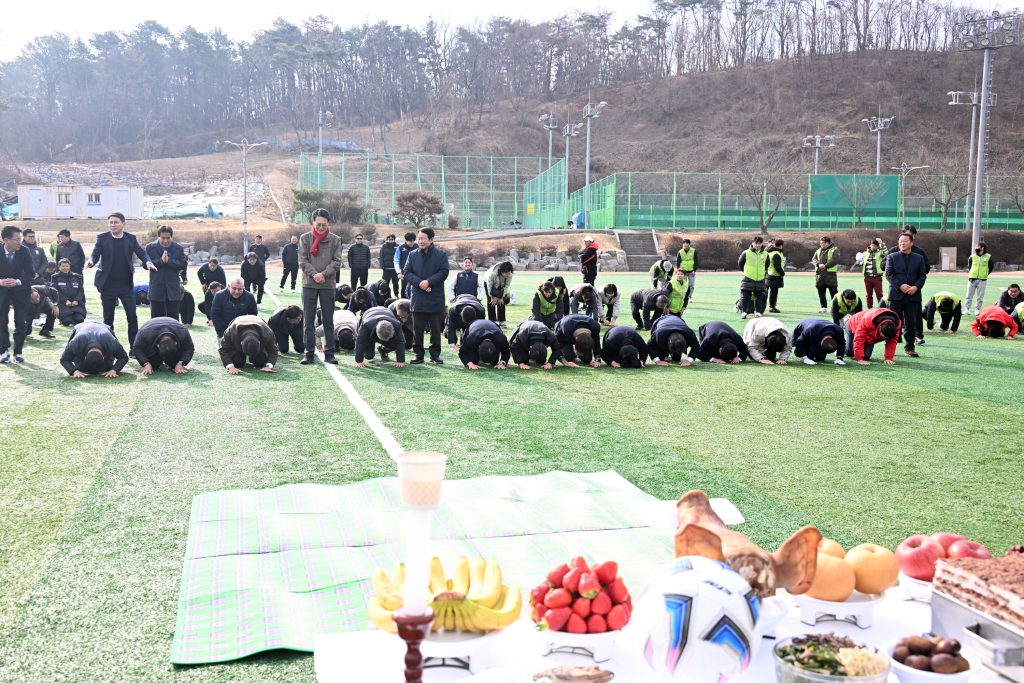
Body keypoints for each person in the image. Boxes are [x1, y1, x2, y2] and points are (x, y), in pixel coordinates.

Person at [85, 212, 156, 349]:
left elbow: (141, 253)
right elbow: (95, 254)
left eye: (116, 222)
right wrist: (91, 261)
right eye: (110, 222)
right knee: (108, 319)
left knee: (132, 317)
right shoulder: (102, 238)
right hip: (108, 285)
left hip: (125, 285)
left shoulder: (130, 238)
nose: (113, 225)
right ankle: (109, 346)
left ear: (123, 224)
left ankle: (134, 347)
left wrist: (148, 262)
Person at [299, 207, 344, 365]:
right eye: (318, 224)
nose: (320, 227)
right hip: (309, 285)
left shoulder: (335, 240)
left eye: (324, 224)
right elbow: (302, 260)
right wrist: (314, 274)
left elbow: (337, 261)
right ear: (313, 222)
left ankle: (330, 352)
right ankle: (309, 352)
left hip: (328, 285)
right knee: (308, 321)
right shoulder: (304, 238)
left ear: (328, 223)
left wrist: (323, 274)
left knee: (328, 321)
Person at [403, 227, 449, 364]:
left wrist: (429, 282)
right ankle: (418, 354)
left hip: (434, 295)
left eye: (423, 238)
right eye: (419, 238)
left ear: (431, 239)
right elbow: (406, 272)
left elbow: (444, 272)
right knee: (417, 328)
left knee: (435, 328)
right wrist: (420, 283)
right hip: (418, 296)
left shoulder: (440, 255)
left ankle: (435, 354)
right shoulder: (412, 255)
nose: (420, 241)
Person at [885, 232, 927, 357]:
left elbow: (922, 276)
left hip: (913, 295)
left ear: (912, 243)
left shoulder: (919, 258)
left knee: (911, 323)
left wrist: (916, 287)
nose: (902, 243)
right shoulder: (892, 256)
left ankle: (910, 347)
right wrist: (900, 285)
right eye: (900, 241)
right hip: (896, 294)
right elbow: (888, 274)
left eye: (905, 241)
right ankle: (890, 348)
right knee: (893, 322)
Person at [144, 225, 188, 320]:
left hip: (173, 291)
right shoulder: (150, 248)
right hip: (156, 290)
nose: (165, 241)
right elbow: (145, 264)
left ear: (172, 237)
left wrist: (169, 261)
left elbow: (183, 265)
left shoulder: (178, 248)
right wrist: (161, 261)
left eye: (168, 238)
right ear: (158, 236)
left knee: (173, 321)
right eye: (163, 238)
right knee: (156, 321)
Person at [60, 321, 129, 377]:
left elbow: (124, 357)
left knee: (108, 367)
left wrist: (114, 370)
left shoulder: (111, 342)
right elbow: (64, 359)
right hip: (82, 327)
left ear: (104, 357)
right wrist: (74, 371)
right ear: (84, 357)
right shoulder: (76, 342)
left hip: (103, 329)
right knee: (80, 367)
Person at [737, 236, 769, 319]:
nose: (757, 245)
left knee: (758, 296)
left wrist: (761, 272)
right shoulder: (746, 252)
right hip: (748, 277)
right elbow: (740, 263)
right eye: (756, 243)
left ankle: (757, 312)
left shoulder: (765, 254)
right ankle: (744, 312)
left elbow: (767, 265)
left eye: (759, 243)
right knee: (745, 296)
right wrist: (746, 271)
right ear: (752, 243)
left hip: (760, 279)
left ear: (762, 244)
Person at [52, 259, 86, 326]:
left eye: (67, 266)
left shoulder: (77, 277)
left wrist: (76, 300)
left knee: (80, 320)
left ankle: (74, 316)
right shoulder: (55, 277)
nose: (65, 268)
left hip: (76, 304)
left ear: (69, 266)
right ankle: (64, 319)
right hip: (62, 304)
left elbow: (81, 290)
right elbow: (56, 291)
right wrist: (65, 300)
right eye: (63, 266)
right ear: (59, 267)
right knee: (67, 321)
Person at [812, 235, 840, 312]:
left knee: (833, 292)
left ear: (827, 243)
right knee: (821, 291)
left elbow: (835, 259)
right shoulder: (818, 251)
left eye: (823, 243)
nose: (821, 245)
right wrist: (818, 264)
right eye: (820, 243)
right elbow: (814, 259)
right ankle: (823, 307)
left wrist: (826, 265)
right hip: (820, 274)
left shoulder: (835, 250)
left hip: (830, 275)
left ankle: (835, 307)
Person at [965, 241, 992, 315]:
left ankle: (977, 309)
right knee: (969, 295)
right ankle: (967, 309)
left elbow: (991, 267)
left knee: (980, 296)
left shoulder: (988, 256)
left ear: (982, 248)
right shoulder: (972, 256)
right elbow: (969, 266)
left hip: (982, 279)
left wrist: (985, 274)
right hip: (972, 278)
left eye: (977, 247)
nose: (976, 248)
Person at [484, 261, 514, 328]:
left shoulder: (510, 274)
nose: (508, 275)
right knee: (491, 302)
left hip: (502, 285)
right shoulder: (492, 274)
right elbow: (489, 286)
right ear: (501, 271)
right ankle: (492, 321)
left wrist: (501, 297)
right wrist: (492, 297)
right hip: (489, 284)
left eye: (509, 273)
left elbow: (506, 286)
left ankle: (502, 321)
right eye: (506, 274)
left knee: (501, 302)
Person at [862, 238, 888, 308]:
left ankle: (881, 308)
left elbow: (887, 254)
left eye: (875, 246)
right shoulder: (865, 253)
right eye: (872, 245)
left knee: (879, 294)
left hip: (877, 277)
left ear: (877, 246)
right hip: (867, 277)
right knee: (868, 294)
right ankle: (869, 308)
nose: (873, 247)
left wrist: (882, 244)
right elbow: (861, 263)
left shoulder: (880, 253)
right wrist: (858, 263)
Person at [393, 232, 418, 298]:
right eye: (410, 241)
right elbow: (396, 261)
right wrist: (398, 273)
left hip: (416, 274)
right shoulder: (400, 248)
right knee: (404, 291)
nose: (412, 243)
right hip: (405, 274)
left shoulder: (418, 247)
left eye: (413, 241)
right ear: (406, 240)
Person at [765, 238, 785, 313]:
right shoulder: (776, 253)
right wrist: (782, 273)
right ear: (781, 246)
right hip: (775, 275)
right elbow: (777, 266)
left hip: (769, 273)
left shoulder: (770, 252)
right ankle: (772, 307)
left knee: (768, 292)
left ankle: (767, 305)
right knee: (774, 292)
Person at [379, 234, 399, 301]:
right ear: (387, 239)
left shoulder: (397, 246)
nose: (391, 241)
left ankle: (396, 295)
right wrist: (382, 266)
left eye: (392, 239)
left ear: (394, 240)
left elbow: (399, 257)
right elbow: (381, 256)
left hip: (395, 269)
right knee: (385, 283)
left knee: (395, 283)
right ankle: (386, 296)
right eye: (389, 239)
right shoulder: (384, 246)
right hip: (386, 269)